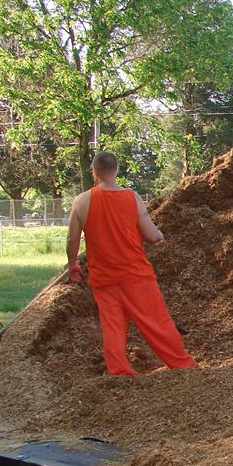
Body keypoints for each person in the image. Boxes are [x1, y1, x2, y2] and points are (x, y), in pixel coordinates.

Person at [67, 152, 197, 376]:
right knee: (157, 323)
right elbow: (151, 235)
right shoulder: (132, 197)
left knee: (113, 327)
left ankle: (119, 372)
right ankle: (183, 365)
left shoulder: (81, 201)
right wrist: (159, 235)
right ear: (116, 171)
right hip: (136, 275)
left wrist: (72, 265)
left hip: (103, 279)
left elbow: (72, 239)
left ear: (94, 172)